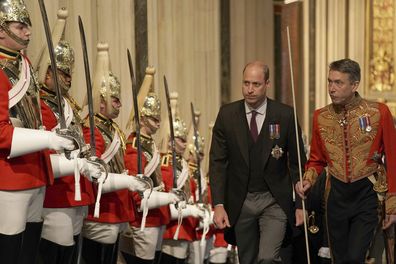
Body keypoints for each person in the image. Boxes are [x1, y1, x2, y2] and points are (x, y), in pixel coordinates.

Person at [295, 58, 396, 263]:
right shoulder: (320, 116)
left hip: (367, 194)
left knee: (355, 257)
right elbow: (316, 160)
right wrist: (308, 179)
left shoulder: (379, 112)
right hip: (335, 197)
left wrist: (393, 206)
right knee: (339, 259)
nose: (331, 88)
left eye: (338, 82)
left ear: (354, 85)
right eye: (330, 82)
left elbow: (393, 159)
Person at [0, 1, 76, 263]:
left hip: (36, 173)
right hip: (10, 176)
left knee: (28, 253)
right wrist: (50, 138)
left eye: (27, 27)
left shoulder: (24, 64)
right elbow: (2, 133)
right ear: (1, 30)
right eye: (21, 27)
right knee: (10, 251)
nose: (28, 32)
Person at [209, 61, 306, 264]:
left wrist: (300, 204)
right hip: (241, 200)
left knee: (268, 257)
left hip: (274, 200)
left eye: (256, 84)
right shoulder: (227, 115)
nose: (250, 89)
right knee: (248, 259)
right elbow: (218, 162)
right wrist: (218, 204)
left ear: (267, 84)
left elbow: (298, 162)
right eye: (246, 83)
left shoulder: (285, 115)